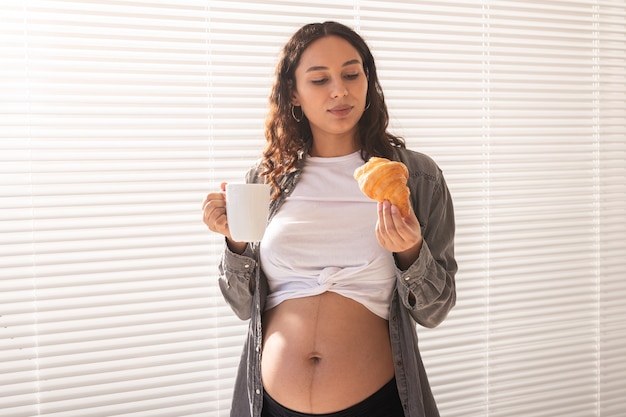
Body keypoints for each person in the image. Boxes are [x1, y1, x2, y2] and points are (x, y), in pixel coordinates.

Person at [202, 21, 457, 417]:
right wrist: (235, 243)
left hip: (378, 404)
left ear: (368, 81)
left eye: (352, 74)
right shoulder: (263, 180)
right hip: (270, 405)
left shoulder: (415, 177)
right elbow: (241, 306)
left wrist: (410, 251)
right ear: (294, 94)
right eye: (319, 80)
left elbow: (435, 310)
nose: (340, 90)